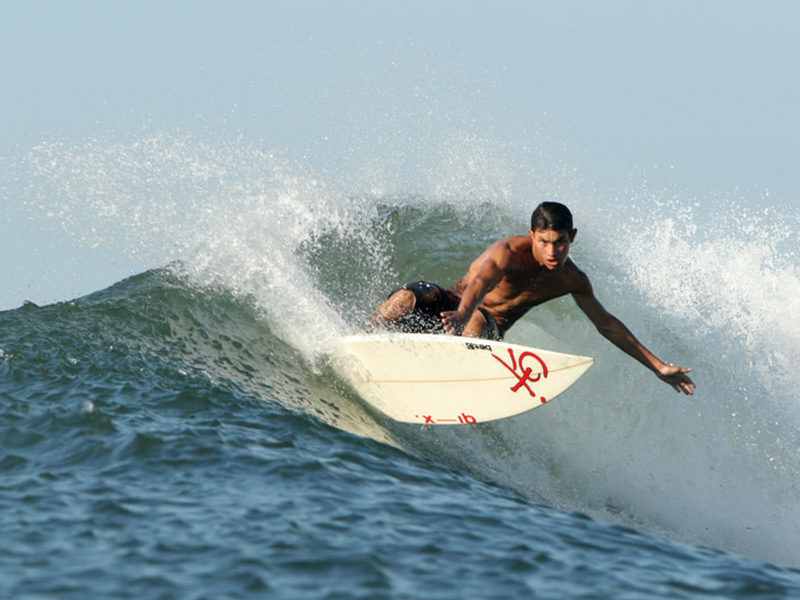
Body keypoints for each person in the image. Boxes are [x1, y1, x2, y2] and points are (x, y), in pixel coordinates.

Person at [369, 201, 696, 395]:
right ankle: (363, 342)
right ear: (532, 236)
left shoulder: (572, 280)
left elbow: (607, 325)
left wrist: (657, 366)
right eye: (545, 242)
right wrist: (461, 311)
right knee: (404, 299)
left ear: (572, 238)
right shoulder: (508, 252)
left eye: (561, 242)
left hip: (485, 327)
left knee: (480, 319)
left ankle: (443, 385)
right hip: (454, 308)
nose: (553, 251)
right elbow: (481, 282)